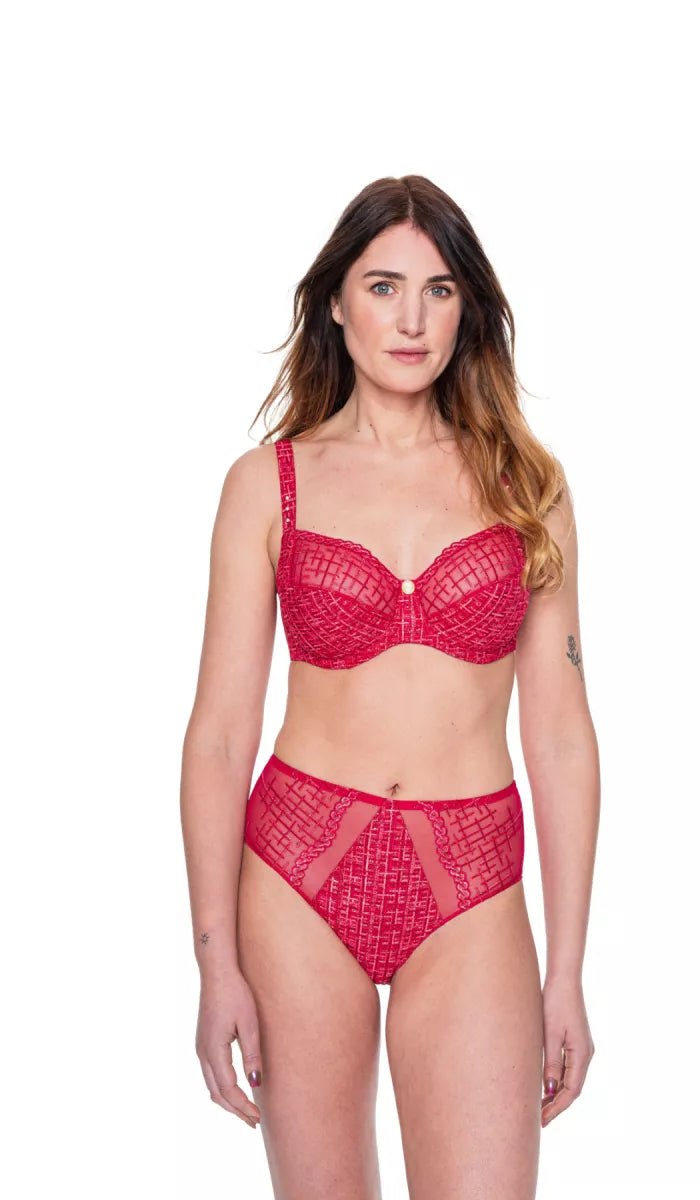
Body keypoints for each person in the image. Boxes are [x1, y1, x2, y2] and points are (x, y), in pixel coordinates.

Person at [180, 174, 600, 1198]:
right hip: (297, 872)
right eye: (382, 287)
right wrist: (214, 964)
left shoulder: (527, 489)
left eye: (439, 290)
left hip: (471, 878)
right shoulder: (267, 484)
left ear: (467, 308)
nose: (411, 319)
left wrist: (567, 973)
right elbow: (221, 735)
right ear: (335, 302)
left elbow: (559, 735)